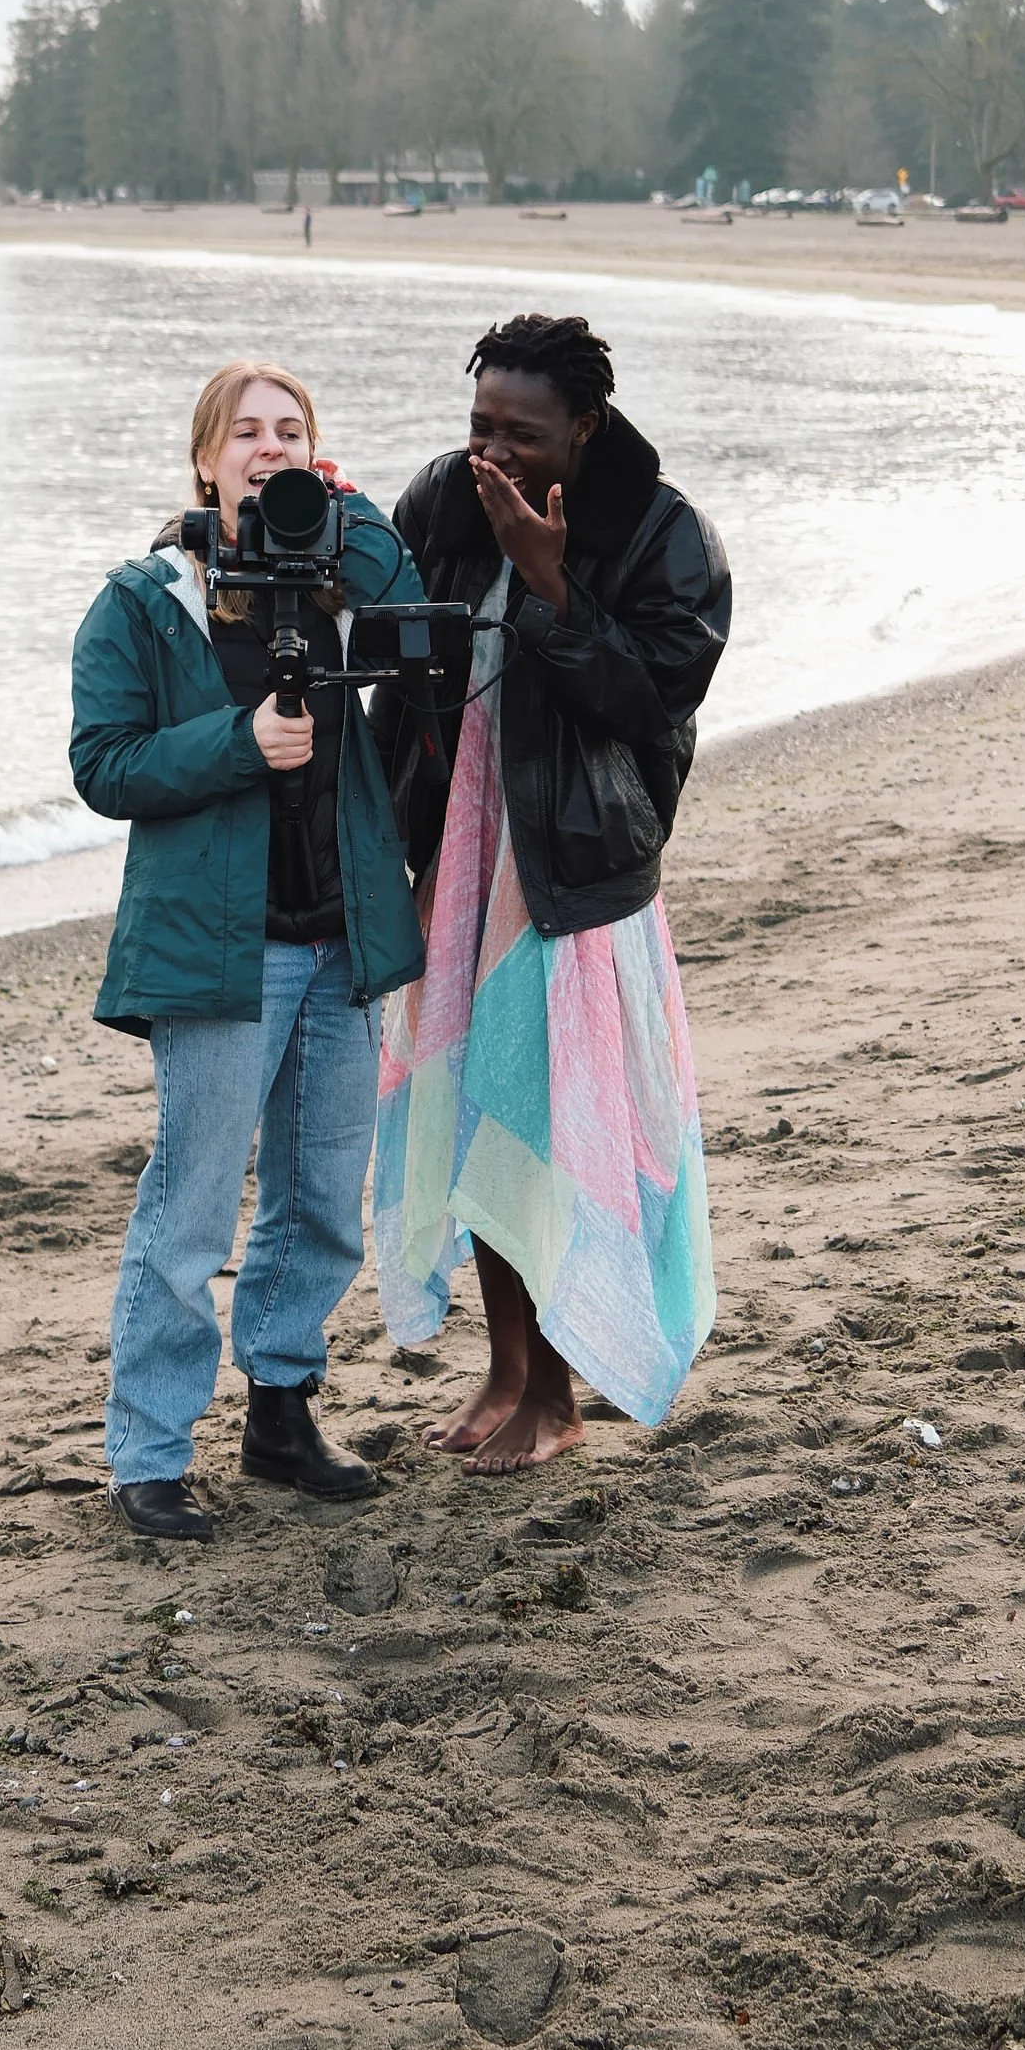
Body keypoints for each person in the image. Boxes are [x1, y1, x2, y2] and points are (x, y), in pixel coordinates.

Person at [69, 360, 428, 1541]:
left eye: (292, 433)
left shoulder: (332, 575)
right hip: (218, 953)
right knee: (190, 1208)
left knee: (324, 1202)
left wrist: (346, 504)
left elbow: (409, 608)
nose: (267, 449)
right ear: (203, 455)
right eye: (247, 433)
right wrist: (237, 742)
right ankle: (149, 1451)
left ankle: (280, 1413)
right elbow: (103, 764)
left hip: (338, 939)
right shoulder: (143, 597)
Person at [370, 312, 729, 1470]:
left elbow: (649, 704)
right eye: (478, 425)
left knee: (544, 1125)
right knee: (474, 1107)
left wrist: (548, 584)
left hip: (570, 875)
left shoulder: (664, 536)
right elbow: (381, 644)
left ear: (582, 428)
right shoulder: (440, 499)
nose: (492, 454)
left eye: (520, 435)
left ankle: (562, 1396)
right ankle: (509, 1368)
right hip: (459, 859)